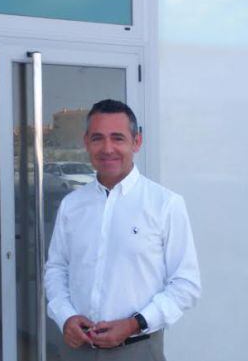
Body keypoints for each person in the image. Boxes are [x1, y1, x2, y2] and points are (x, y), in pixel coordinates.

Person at [44, 99, 201, 361]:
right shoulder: (72, 205)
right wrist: (65, 316)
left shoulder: (165, 204)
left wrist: (134, 323)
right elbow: (56, 269)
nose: (107, 149)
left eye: (117, 138)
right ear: (86, 143)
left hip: (138, 350)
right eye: (97, 138)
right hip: (76, 350)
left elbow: (186, 284)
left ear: (136, 142)